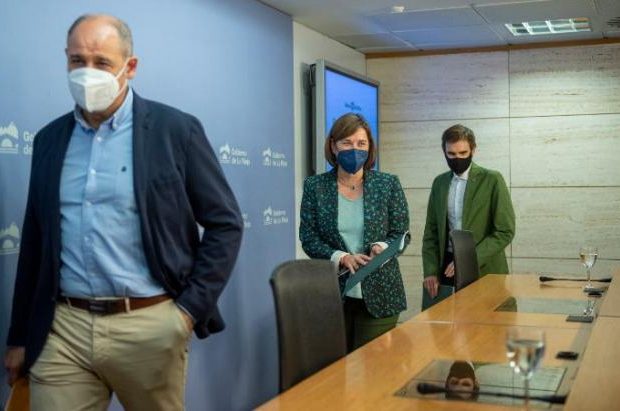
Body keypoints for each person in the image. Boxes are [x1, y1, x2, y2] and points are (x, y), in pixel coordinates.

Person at [3, 14, 243, 411]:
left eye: (101, 62)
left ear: (129, 67)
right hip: (64, 329)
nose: (87, 72)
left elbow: (226, 224)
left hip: (149, 326)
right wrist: (19, 336)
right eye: (77, 61)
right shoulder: (49, 140)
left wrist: (186, 313)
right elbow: (34, 240)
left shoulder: (175, 131)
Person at [299, 113, 409, 352]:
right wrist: (341, 257)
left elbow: (401, 232)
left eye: (361, 144)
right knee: (337, 368)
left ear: (369, 148)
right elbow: (308, 237)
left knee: (372, 367)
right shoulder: (315, 186)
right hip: (333, 294)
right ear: (333, 146)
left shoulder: (387, 184)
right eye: (347, 143)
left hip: (382, 293)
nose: (355, 150)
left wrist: (382, 247)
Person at [422, 124, 515, 300]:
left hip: (485, 267)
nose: (457, 158)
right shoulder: (439, 183)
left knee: (485, 317)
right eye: (451, 154)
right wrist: (430, 270)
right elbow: (431, 233)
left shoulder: (492, 180)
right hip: (446, 269)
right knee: (448, 317)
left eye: (463, 153)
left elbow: (505, 231)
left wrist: (468, 259)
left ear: (473, 150)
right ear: (444, 152)